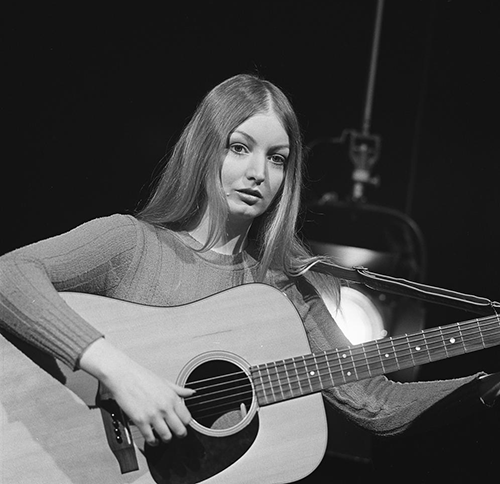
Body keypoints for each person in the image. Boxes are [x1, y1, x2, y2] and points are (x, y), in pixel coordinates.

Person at [1, 73, 499, 481]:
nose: (259, 172)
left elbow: (375, 402)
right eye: (240, 148)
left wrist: (487, 385)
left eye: (277, 158)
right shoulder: (131, 243)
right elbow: (9, 273)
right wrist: (122, 373)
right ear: (205, 149)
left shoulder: (289, 290)